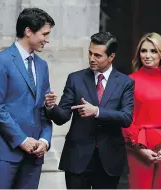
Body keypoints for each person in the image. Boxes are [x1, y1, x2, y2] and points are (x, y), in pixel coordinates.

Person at [45, 32, 135, 189]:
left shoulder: (125, 82)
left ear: (111, 57)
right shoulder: (75, 78)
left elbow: (126, 118)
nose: (92, 58)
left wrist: (97, 111)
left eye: (98, 55)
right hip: (77, 158)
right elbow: (62, 117)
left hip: (109, 159)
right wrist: (51, 107)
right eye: (90, 53)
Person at [0, 8, 55, 189]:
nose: (47, 39)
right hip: (4, 152)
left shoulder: (42, 66)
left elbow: (45, 108)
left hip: (34, 155)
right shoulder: (1, 61)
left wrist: (45, 140)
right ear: (28, 31)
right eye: (44, 34)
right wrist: (22, 140)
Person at [122, 32, 161, 189]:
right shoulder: (130, 81)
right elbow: (125, 117)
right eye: (143, 51)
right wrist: (139, 147)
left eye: (153, 51)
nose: (147, 55)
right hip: (140, 147)